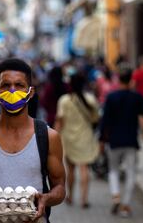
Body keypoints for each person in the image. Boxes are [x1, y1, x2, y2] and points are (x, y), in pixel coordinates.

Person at [0, 58, 66, 223]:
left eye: (19, 85)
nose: (12, 91)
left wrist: (45, 199)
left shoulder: (48, 137)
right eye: (6, 85)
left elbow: (60, 187)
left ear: (30, 92)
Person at [99, 67, 143, 217]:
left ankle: (116, 195)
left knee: (113, 170)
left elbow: (105, 121)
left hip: (114, 140)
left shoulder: (111, 97)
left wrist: (102, 139)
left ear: (118, 79)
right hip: (131, 141)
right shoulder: (137, 97)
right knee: (131, 173)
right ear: (131, 80)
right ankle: (126, 205)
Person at [55, 73, 100, 208]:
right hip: (85, 138)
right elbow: (95, 119)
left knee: (71, 169)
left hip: (69, 138)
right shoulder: (90, 99)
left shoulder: (64, 100)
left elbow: (59, 122)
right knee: (84, 168)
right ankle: (84, 199)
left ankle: (70, 196)